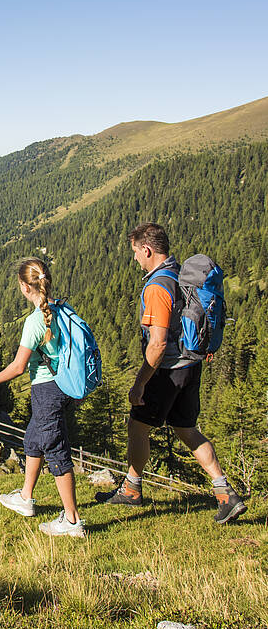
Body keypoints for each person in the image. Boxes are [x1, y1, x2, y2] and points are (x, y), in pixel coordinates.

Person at [95, 222, 246, 524]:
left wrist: (139, 384)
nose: (135, 258)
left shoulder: (157, 286)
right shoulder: (183, 274)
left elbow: (158, 343)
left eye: (136, 252)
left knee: (138, 427)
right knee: (187, 429)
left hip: (167, 371)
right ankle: (225, 492)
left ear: (147, 249)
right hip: (191, 365)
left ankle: (132, 490)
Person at [0, 258, 85, 538]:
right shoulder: (62, 308)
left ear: (24, 286)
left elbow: (18, 367)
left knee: (56, 448)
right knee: (34, 439)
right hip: (62, 385)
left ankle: (73, 521)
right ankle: (26, 497)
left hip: (47, 390)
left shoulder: (34, 322)